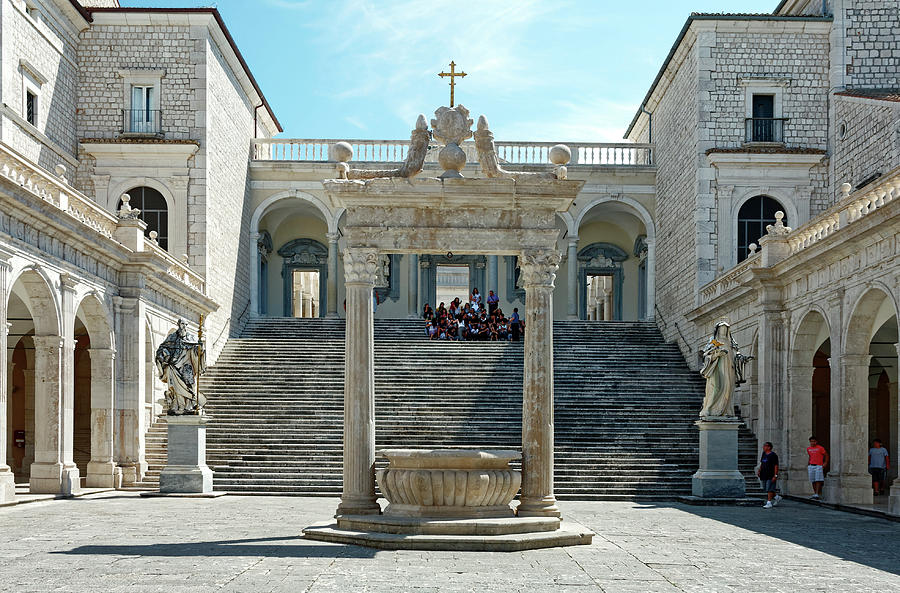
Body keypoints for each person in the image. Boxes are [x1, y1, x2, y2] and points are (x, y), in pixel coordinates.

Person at [756, 442, 782, 509]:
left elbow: (776, 465)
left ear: (769, 447)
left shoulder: (773, 455)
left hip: (771, 474)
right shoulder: (764, 454)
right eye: (764, 446)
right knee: (765, 488)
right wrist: (759, 470)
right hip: (764, 473)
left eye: (765, 446)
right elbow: (762, 463)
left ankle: (769, 502)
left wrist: (775, 475)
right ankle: (776, 497)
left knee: (769, 488)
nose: (764, 447)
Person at [807, 436, 829, 500]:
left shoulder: (820, 448)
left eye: (814, 441)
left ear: (816, 442)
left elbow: (826, 455)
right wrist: (808, 463)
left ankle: (817, 493)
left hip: (818, 465)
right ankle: (815, 493)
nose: (812, 443)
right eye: (811, 441)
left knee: (818, 479)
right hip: (811, 465)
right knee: (812, 480)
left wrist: (825, 462)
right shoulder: (808, 449)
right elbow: (810, 456)